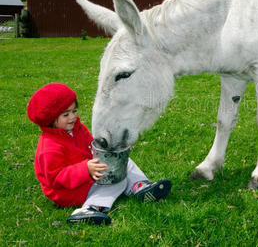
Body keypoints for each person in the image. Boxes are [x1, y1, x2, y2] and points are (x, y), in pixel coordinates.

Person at [27, 83, 171, 225]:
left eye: (74, 111)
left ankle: (141, 186)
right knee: (117, 182)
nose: (72, 117)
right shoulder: (49, 146)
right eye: (66, 114)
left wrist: (104, 152)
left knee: (121, 160)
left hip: (88, 172)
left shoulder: (77, 128)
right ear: (51, 119)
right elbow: (56, 179)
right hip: (68, 191)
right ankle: (90, 208)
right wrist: (85, 169)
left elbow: (90, 146)